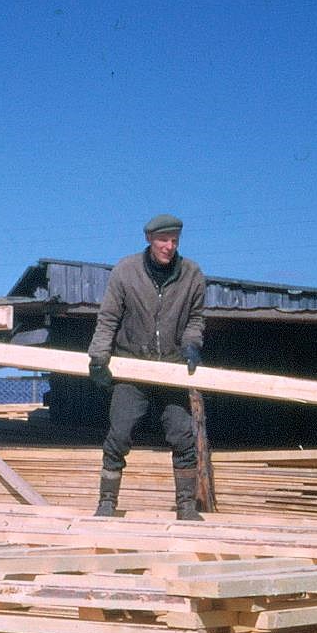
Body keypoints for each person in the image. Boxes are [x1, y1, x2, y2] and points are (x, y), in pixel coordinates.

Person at [86, 213, 206, 520]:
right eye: (163, 240)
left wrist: (192, 344)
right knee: (120, 432)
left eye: (174, 241)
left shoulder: (192, 274)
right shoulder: (126, 271)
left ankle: (186, 506)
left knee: (182, 435)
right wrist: (99, 356)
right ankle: (107, 502)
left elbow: (195, 318)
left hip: (171, 367)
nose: (169, 246)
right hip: (131, 365)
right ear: (150, 240)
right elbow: (108, 317)